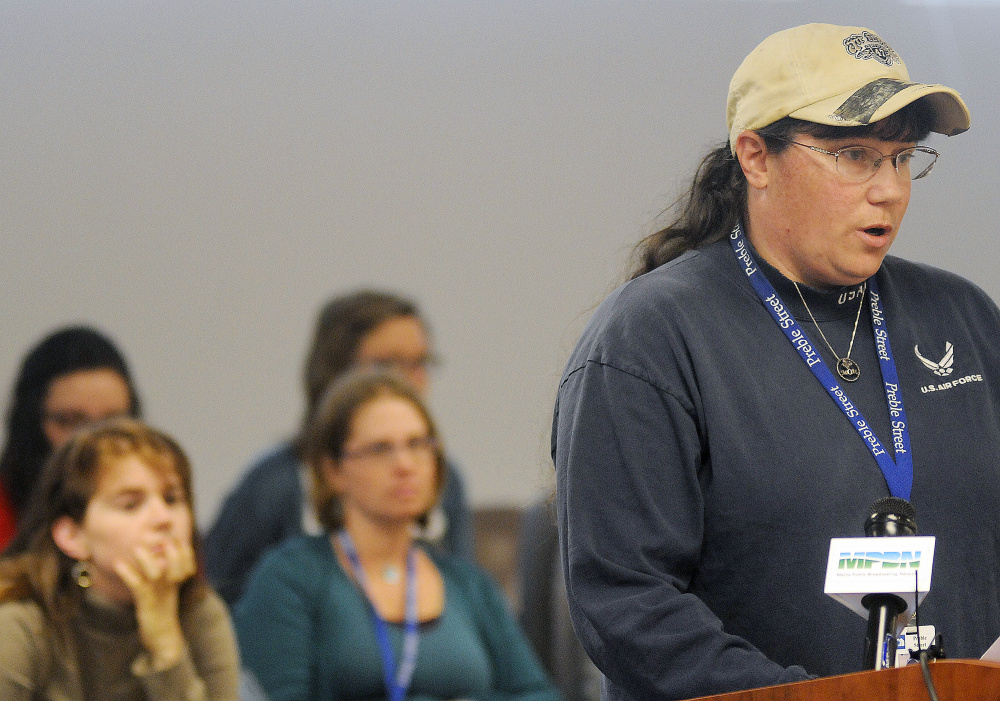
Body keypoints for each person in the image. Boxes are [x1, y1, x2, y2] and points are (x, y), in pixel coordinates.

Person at [552, 22, 1000, 701]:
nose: (890, 190)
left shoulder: (964, 317)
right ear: (755, 157)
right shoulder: (650, 340)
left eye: (902, 158)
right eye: (854, 154)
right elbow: (628, 607)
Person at [234, 370, 560, 701]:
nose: (405, 464)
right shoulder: (289, 577)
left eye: (418, 444)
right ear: (333, 470)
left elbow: (540, 695)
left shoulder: (469, 585)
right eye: (380, 449)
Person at [205, 289, 474, 606]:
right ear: (334, 372)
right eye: (387, 364)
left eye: (420, 364)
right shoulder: (275, 483)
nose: (411, 382)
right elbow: (219, 600)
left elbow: (464, 600)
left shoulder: (443, 478)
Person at [0, 417, 240, 700]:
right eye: (130, 504)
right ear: (72, 537)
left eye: (172, 498)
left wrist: (165, 642)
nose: (163, 519)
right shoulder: (23, 622)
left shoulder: (201, 612)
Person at [0, 326, 141, 551]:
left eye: (113, 423)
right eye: (72, 421)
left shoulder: (158, 515)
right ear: (31, 424)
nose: (94, 441)